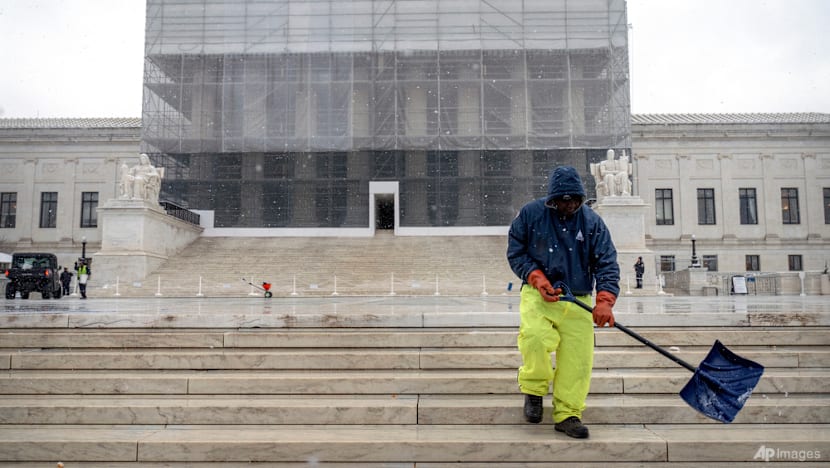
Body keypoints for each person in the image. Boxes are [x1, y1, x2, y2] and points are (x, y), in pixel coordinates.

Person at [507, 165, 620, 439]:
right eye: (563, 200)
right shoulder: (531, 214)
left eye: (573, 200)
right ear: (552, 198)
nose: (568, 205)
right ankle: (534, 390)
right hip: (539, 294)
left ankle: (568, 413)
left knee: (578, 361)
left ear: (581, 198)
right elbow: (516, 251)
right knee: (534, 338)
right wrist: (536, 277)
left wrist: (604, 300)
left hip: (578, 298)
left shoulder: (592, 222)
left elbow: (606, 262)